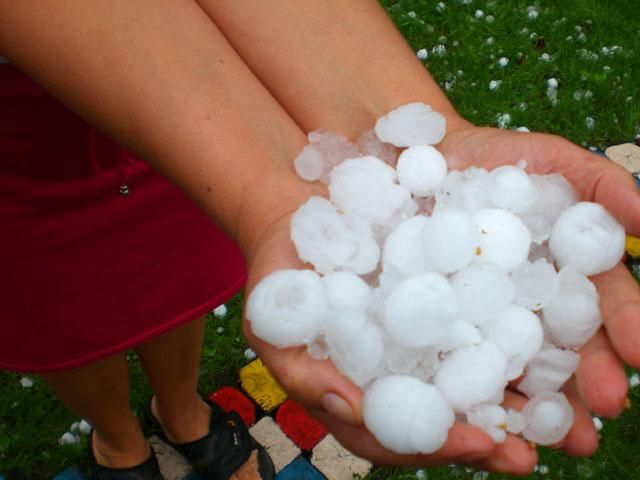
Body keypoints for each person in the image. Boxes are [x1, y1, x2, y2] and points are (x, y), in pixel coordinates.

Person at [1, 1, 639, 478]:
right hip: (19, 146)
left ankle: (183, 411)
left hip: (187, 132)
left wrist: (395, 113)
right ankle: (117, 442)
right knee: (66, 313)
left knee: (175, 288)